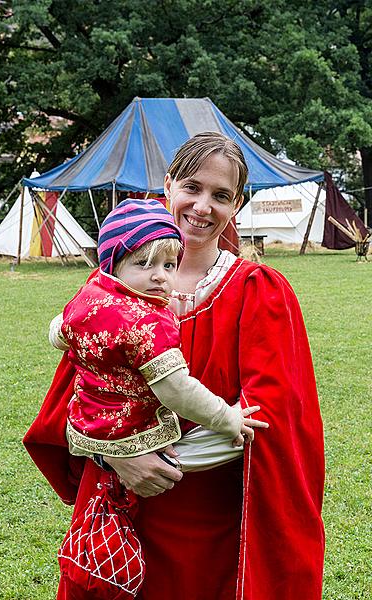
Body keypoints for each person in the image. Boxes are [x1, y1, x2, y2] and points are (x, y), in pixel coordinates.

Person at [24, 132, 325, 600]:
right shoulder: (109, 285)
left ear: (236, 205)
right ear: (168, 185)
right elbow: (76, 395)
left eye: (221, 195)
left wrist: (159, 463)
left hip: (208, 523)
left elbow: (267, 416)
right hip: (115, 510)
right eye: (192, 187)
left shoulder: (256, 291)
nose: (203, 206)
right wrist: (119, 456)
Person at [55, 198, 267, 463]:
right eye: (144, 263)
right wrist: (227, 418)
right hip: (132, 432)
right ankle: (171, 462)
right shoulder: (148, 323)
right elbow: (177, 391)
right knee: (239, 441)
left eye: (169, 265)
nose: (160, 276)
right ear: (114, 266)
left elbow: (58, 332)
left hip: (86, 424)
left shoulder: (89, 297)